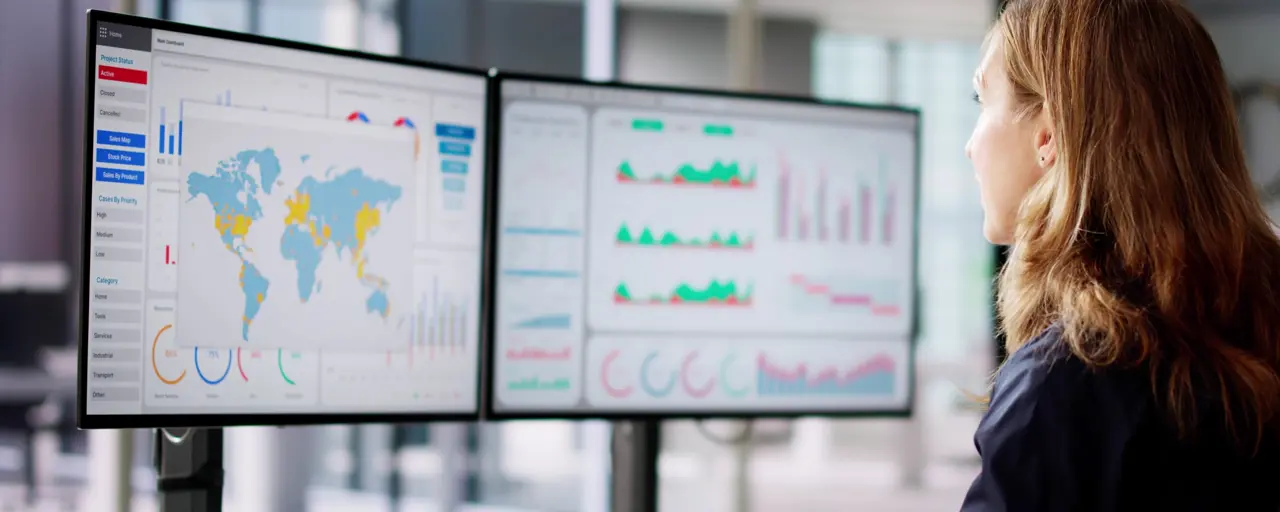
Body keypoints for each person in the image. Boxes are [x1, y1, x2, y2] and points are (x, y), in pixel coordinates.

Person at [961, 0, 1280, 510]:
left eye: (981, 99)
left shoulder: (1065, 381)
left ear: (1047, 135)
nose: (970, 146)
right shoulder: (1257, 339)